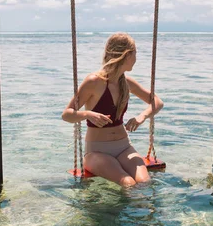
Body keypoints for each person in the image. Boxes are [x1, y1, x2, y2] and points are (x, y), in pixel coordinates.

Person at [62, 32, 164, 188]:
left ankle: (148, 212)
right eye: (135, 53)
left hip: (124, 147)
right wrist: (87, 114)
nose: (136, 58)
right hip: (97, 151)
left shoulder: (127, 82)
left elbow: (157, 102)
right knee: (128, 183)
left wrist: (141, 117)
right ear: (127, 55)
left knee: (144, 183)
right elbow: (67, 115)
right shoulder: (94, 81)